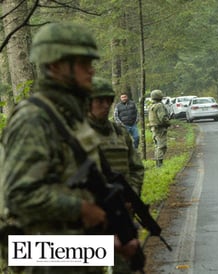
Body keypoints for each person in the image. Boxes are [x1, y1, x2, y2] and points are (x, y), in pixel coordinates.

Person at [0, 22, 138, 274]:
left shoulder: (70, 118)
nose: (91, 70)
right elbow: (19, 195)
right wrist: (82, 210)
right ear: (55, 65)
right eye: (82, 63)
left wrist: (111, 244)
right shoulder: (34, 119)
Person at [88, 77, 145, 273]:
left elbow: (136, 168)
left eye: (108, 101)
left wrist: (132, 195)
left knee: (125, 267)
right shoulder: (76, 136)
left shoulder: (120, 134)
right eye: (99, 101)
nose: (104, 106)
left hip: (122, 212)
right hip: (90, 218)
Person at [148, 89, 171, 167]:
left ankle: (158, 164)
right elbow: (163, 117)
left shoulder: (152, 106)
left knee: (157, 146)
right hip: (160, 128)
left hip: (154, 128)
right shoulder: (159, 105)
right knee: (161, 146)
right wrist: (168, 123)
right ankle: (159, 165)